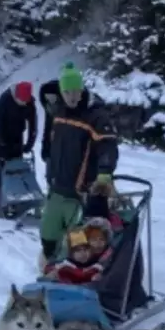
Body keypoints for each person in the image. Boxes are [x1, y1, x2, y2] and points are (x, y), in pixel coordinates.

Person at [38, 62, 119, 270]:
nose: (72, 96)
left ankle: (78, 273)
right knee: (48, 230)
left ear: (82, 89)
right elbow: (50, 136)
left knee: (77, 240)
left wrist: (104, 173)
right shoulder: (58, 110)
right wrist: (47, 154)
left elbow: (107, 146)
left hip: (81, 190)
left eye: (76, 91)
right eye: (67, 92)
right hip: (57, 185)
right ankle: (50, 264)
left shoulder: (95, 116)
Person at [0, 81, 37, 215]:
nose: (23, 104)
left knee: (17, 169)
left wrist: (30, 143)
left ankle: (16, 201)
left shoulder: (30, 103)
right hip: (2, 137)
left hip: (18, 136)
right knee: (3, 172)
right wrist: (2, 143)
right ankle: (2, 204)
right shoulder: (5, 99)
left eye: (25, 102)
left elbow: (33, 123)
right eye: (20, 101)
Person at [42, 220, 112, 284]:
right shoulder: (68, 264)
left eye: (102, 239)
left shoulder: (109, 257)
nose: (98, 243)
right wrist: (52, 272)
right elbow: (57, 264)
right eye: (93, 239)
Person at [37, 77, 62, 182]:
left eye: (52, 98)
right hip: (52, 152)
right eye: (47, 99)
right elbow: (47, 129)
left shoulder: (66, 110)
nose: (50, 101)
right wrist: (45, 148)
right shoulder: (49, 108)